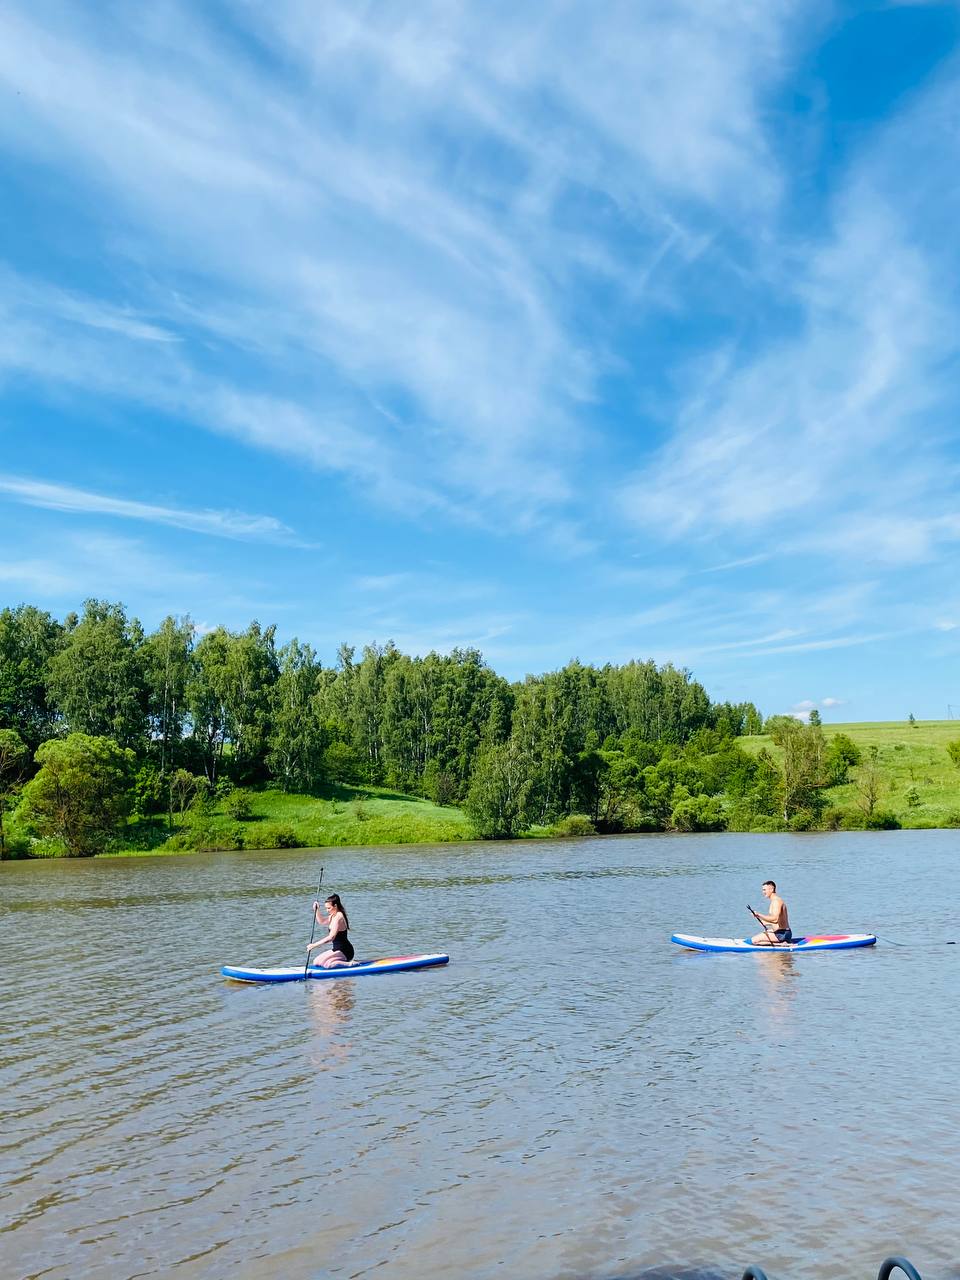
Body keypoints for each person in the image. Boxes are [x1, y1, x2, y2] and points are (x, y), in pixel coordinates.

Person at [306, 893, 356, 967]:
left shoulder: (339, 917)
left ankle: (350, 964)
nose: (327, 910)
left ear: (335, 906)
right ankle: (338, 962)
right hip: (336, 949)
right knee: (316, 962)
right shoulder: (333, 915)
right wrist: (316, 910)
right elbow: (322, 921)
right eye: (326, 908)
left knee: (327, 965)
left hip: (345, 951)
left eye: (329, 908)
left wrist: (314, 945)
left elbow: (331, 937)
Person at [750, 880, 792, 945]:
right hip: (781, 933)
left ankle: (781, 944)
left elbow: (775, 919)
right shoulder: (774, 901)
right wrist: (764, 921)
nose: (763, 892)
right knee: (762, 936)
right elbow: (777, 921)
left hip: (782, 934)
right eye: (763, 890)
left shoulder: (776, 901)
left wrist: (759, 914)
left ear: (772, 889)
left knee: (753, 941)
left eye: (765, 890)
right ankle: (780, 943)